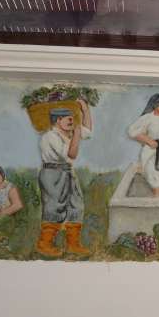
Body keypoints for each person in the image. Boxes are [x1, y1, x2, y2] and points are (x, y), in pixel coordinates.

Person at [36, 99, 92, 258]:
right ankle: (45, 244)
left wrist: (85, 110)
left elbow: (87, 130)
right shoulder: (50, 136)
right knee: (54, 206)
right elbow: (71, 154)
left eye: (72, 119)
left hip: (67, 172)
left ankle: (73, 244)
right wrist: (77, 135)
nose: (71, 121)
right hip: (52, 174)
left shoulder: (68, 134)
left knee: (76, 205)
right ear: (57, 120)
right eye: (68, 119)